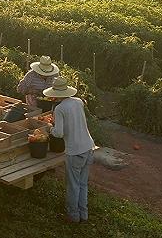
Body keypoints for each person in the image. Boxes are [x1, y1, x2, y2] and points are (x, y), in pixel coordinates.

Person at [44, 76, 95, 223]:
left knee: (73, 185)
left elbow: (59, 133)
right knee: (83, 184)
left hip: (75, 151)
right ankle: (84, 215)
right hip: (88, 147)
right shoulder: (78, 102)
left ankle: (73, 216)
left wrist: (49, 128)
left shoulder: (60, 109)